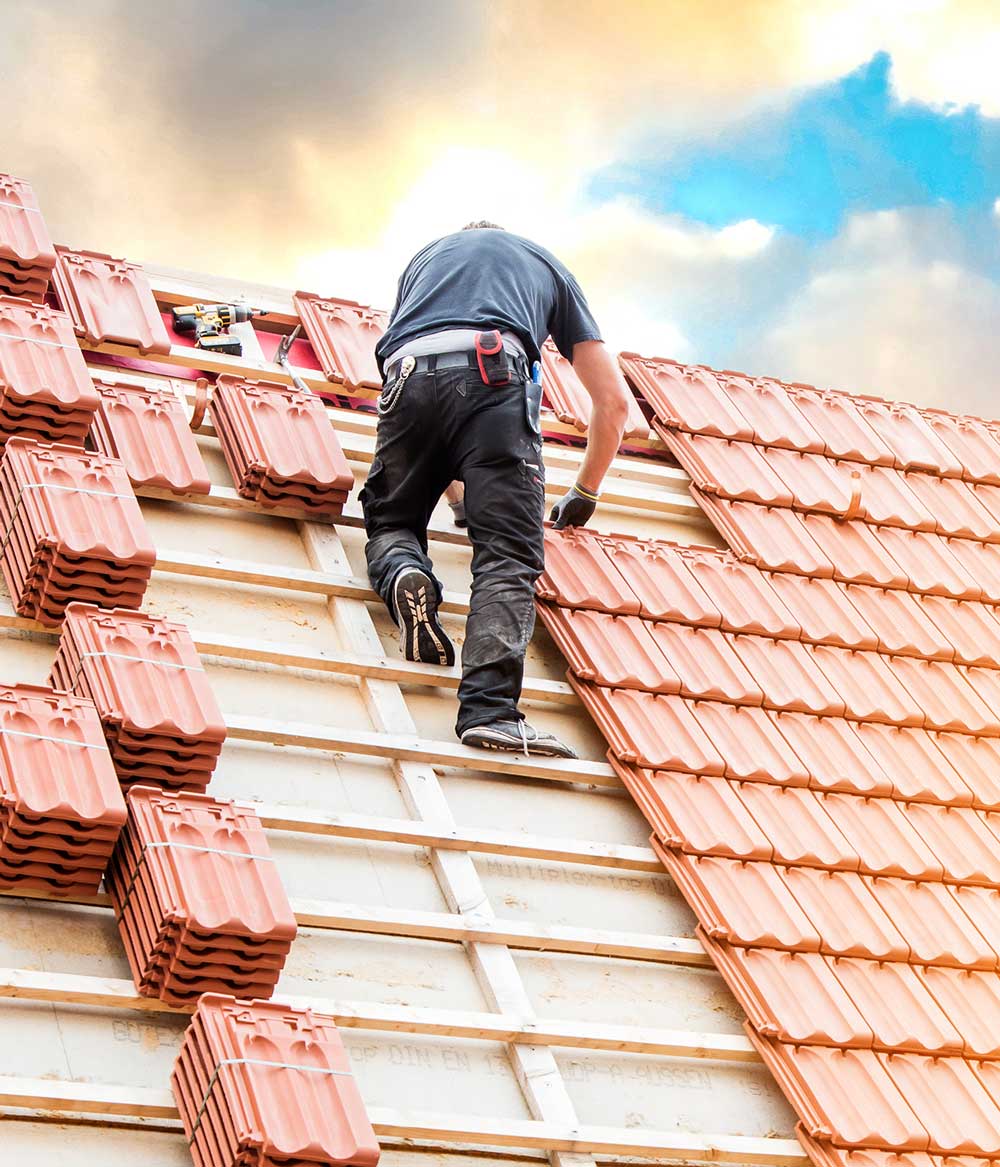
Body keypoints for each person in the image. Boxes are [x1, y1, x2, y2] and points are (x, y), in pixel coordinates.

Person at [360, 222, 631, 758]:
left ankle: (404, 575)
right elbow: (614, 404)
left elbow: (435, 420)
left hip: (403, 376)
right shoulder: (546, 266)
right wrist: (587, 489)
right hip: (492, 372)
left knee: (392, 519)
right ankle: (490, 712)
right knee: (507, 554)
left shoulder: (422, 262)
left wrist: (461, 503)